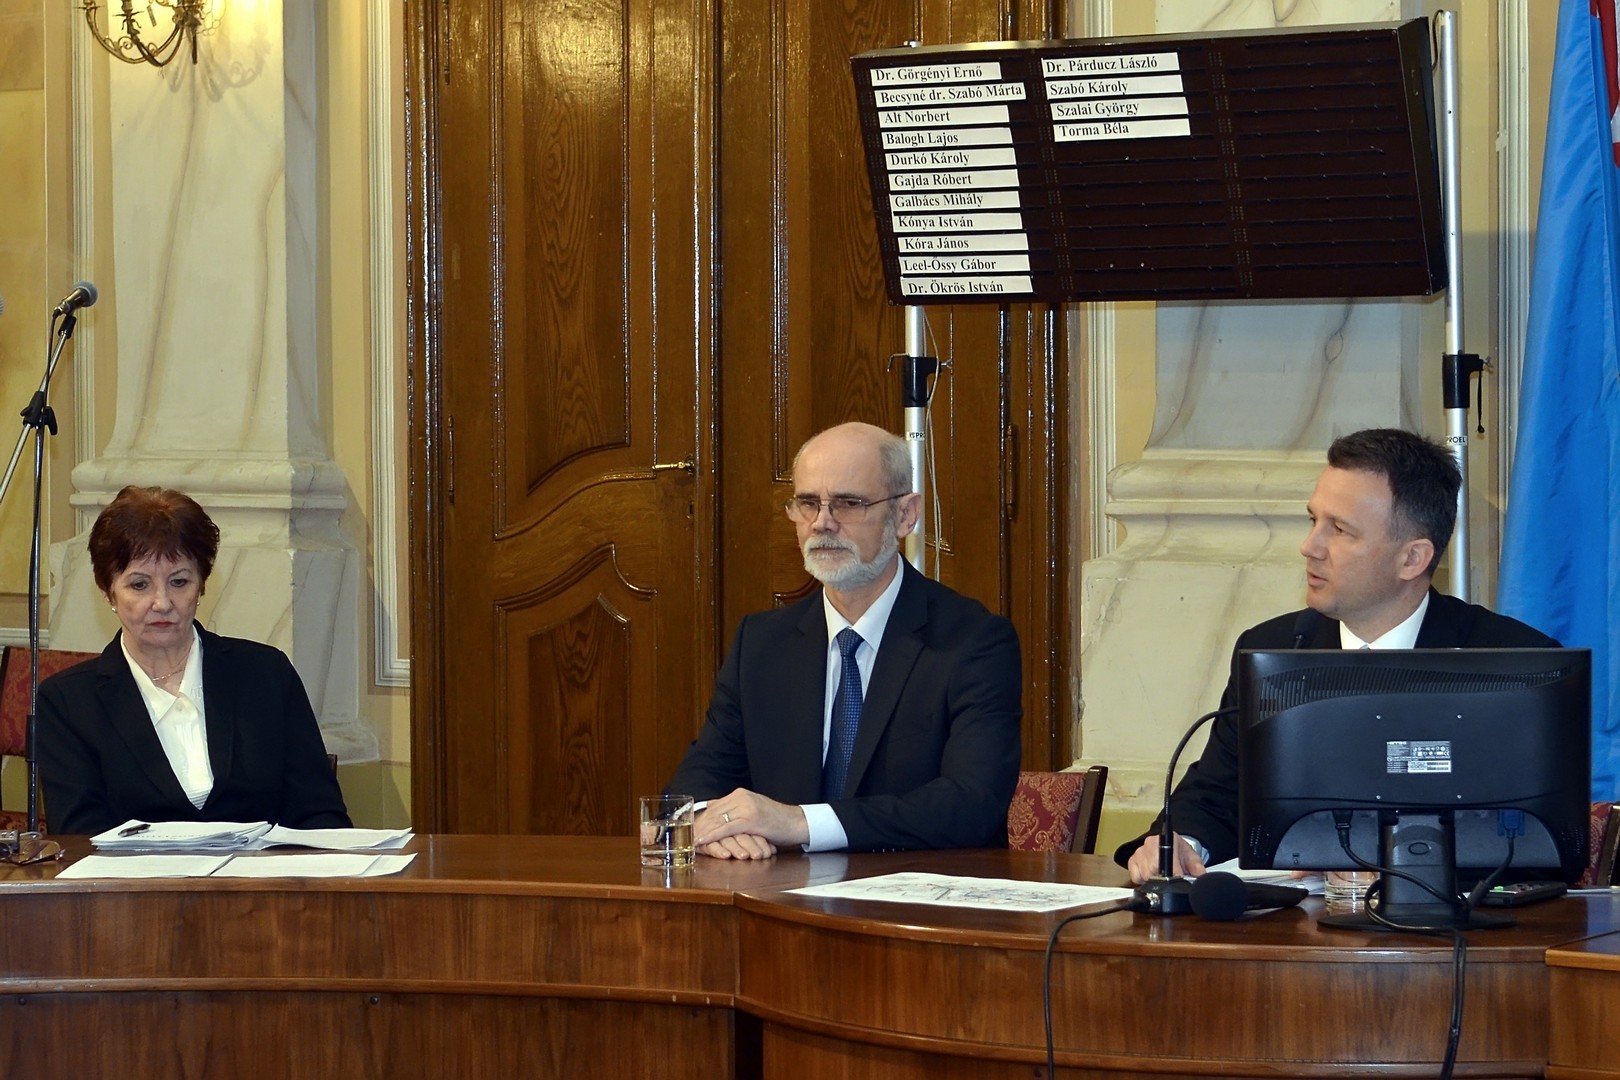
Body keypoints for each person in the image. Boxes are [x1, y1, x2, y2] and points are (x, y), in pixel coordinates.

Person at [1117, 428, 1558, 884]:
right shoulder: (1276, 648)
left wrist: (1394, 869)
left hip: (1450, 924)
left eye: (1340, 529)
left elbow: (1534, 845)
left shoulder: (1516, 664)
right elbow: (1215, 796)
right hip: (1296, 922)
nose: (1310, 546)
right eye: (1314, 520)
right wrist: (1182, 843)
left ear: (1412, 559)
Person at [666, 422, 1022, 859]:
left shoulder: (973, 641)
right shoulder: (761, 644)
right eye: (808, 503)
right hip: (781, 893)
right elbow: (697, 781)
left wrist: (800, 823)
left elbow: (972, 803)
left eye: (849, 503)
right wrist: (712, 825)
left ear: (905, 515)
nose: (822, 523)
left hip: (920, 893)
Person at [37, 486, 352, 835]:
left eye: (179, 582)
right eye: (139, 585)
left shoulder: (265, 675)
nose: (162, 603)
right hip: (134, 874)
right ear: (108, 592)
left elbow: (320, 815)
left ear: (201, 585)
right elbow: (80, 839)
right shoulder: (68, 703)